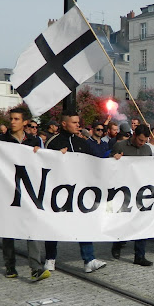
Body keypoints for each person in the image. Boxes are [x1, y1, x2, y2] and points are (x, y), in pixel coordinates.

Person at [0, 108, 50, 281]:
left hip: (29, 191)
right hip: (9, 190)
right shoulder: (2, 140)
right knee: (9, 228)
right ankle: (10, 265)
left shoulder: (33, 140)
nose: (12, 122)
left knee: (32, 227)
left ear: (25, 122)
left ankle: (35, 268)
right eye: (11, 119)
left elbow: (43, 162)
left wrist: (40, 153)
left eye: (16, 119)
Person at [44, 112, 107, 273]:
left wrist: (114, 158)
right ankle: (50, 258)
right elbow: (44, 165)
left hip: (79, 191)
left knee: (83, 222)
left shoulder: (82, 142)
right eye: (74, 122)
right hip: (59, 191)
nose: (78, 125)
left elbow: (96, 160)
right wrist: (57, 157)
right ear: (64, 124)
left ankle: (89, 260)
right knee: (54, 224)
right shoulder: (53, 142)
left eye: (78, 122)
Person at [109, 124, 154, 266]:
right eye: (140, 140)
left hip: (141, 191)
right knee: (123, 222)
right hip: (124, 191)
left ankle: (139, 255)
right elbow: (109, 166)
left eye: (145, 141)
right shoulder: (120, 146)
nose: (142, 143)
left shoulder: (147, 149)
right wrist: (114, 158)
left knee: (142, 222)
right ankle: (117, 244)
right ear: (134, 135)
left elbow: (152, 167)